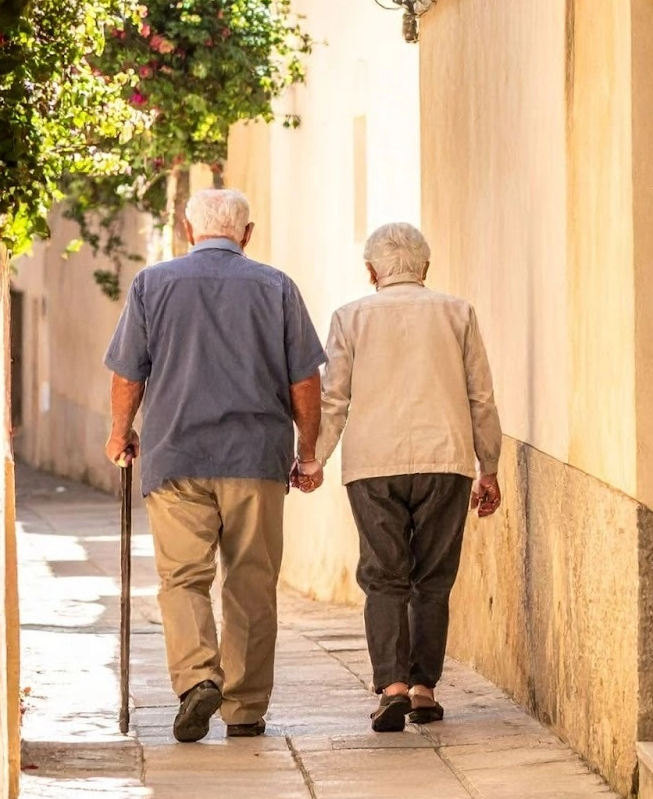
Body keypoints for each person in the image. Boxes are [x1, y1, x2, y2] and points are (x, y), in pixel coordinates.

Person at [103, 188, 326, 742]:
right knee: (251, 582)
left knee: (182, 579)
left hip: (175, 457)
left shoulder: (152, 285)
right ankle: (245, 707)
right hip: (256, 457)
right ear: (246, 235)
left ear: (187, 229)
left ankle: (198, 677)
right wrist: (307, 451)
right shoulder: (276, 287)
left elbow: (129, 373)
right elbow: (305, 381)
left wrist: (119, 434)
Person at [317, 222, 502, 732]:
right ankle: (424, 690)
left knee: (384, 576)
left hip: (373, 465)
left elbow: (333, 397)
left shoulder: (349, 318)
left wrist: (312, 458)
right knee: (433, 579)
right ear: (426, 268)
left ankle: (392, 685)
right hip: (446, 461)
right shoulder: (457, 312)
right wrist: (489, 466)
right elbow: (480, 396)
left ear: (372, 271)